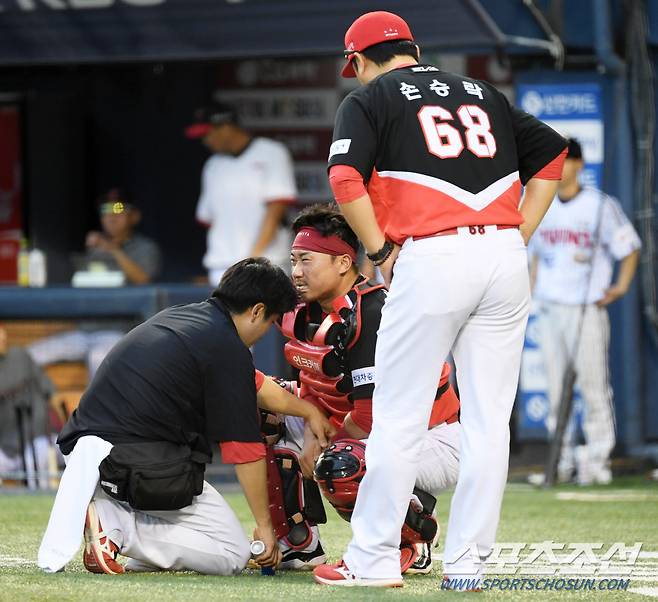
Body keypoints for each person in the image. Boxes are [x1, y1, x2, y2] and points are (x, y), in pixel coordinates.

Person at [313, 10, 568, 589]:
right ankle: (468, 566)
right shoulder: (480, 91)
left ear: (356, 61)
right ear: (415, 48)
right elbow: (553, 155)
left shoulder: (370, 97)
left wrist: (377, 250)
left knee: (398, 419)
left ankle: (374, 559)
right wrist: (518, 235)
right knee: (488, 424)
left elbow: (345, 180)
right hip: (503, 256)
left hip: (431, 255)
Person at [38, 258, 333, 576]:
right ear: (257, 311)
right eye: (270, 320)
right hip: (131, 462)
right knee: (231, 553)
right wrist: (264, 527)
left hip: (93, 456)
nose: (264, 332)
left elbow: (255, 384)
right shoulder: (225, 346)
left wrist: (308, 410)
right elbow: (244, 451)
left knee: (203, 541)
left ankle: (117, 526)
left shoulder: (191, 318)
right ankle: (115, 527)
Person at [263, 204, 460, 575]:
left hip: (431, 437)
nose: (296, 272)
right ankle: (299, 541)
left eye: (307, 260)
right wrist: (308, 427)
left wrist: (320, 444)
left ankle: (409, 540)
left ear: (342, 263)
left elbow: (371, 417)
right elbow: (310, 383)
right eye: (293, 260)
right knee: (259, 407)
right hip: (350, 426)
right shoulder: (301, 309)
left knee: (341, 463)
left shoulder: (373, 311)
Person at [529, 139, 641, 486]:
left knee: (594, 387)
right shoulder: (540, 202)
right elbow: (532, 254)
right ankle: (559, 463)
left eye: (565, 161)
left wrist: (620, 286)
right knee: (555, 391)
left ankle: (596, 461)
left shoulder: (598, 205)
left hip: (586, 307)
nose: (559, 169)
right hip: (549, 306)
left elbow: (629, 246)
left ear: (579, 164)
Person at [28, 188, 163, 378]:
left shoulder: (145, 248)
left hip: (121, 332)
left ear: (134, 216)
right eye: (105, 209)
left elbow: (143, 279)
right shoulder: (95, 250)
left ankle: (96, 409)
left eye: (118, 208)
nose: (111, 215)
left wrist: (113, 250)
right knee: (31, 355)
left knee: (99, 357)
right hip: (85, 331)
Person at [186, 102, 297, 284]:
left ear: (226, 127)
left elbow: (275, 211)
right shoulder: (212, 165)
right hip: (222, 267)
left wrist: (251, 260)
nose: (205, 141)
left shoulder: (271, 152)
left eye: (208, 133)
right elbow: (207, 219)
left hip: (266, 263)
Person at [0, 324, 55, 489]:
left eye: (2, 334)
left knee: (38, 459)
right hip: (6, 446)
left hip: (37, 438)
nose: (2, 338)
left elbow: (49, 391)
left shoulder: (20, 355)